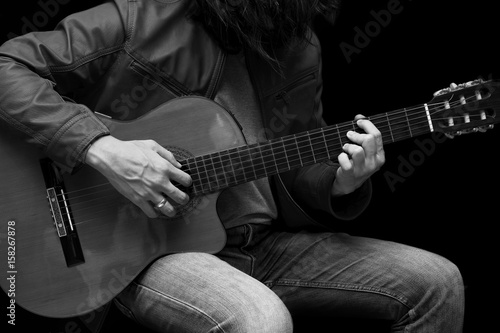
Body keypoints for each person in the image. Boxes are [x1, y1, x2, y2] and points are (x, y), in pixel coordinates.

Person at [0, 0, 464, 332]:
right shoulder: (141, 17)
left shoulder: (299, 45)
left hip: (260, 244)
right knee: (260, 320)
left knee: (437, 282)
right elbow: (6, 67)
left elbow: (296, 162)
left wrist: (342, 181)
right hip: (148, 249)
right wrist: (102, 148)